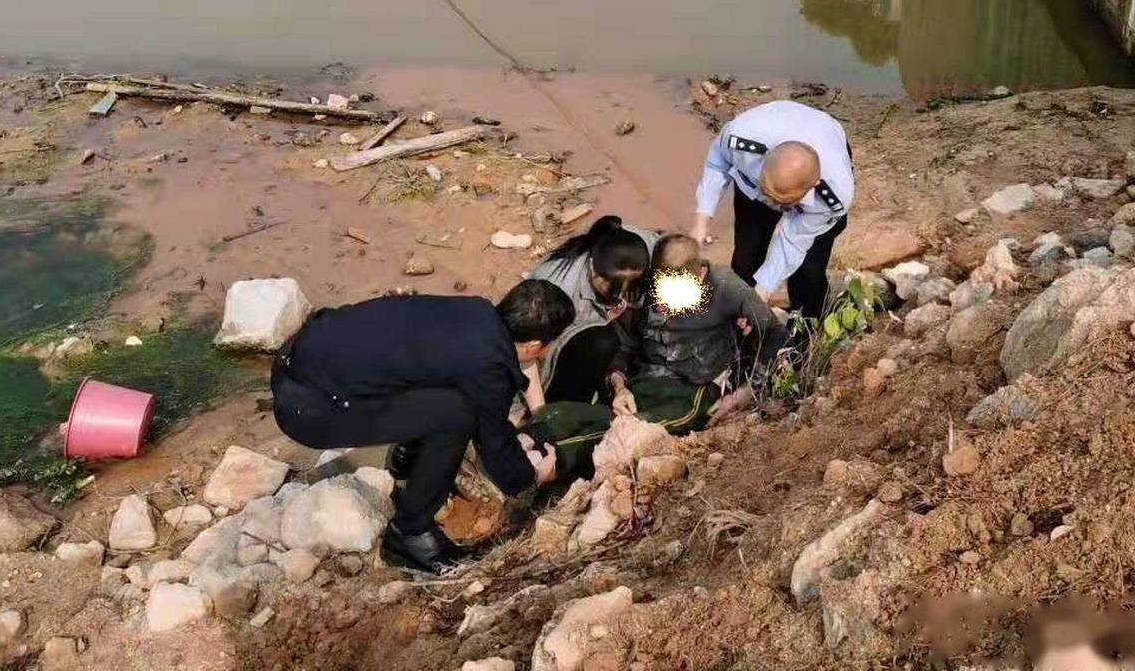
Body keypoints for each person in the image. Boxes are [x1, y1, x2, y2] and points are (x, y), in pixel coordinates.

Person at [270, 279, 574, 573]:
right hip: (309, 411)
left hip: (297, 359)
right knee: (458, 414)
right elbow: (493, 442)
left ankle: (408, 462)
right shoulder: (488, 363)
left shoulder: (475, 312)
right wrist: (530, 476)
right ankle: (410, 533)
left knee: (442, 386)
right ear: (535, 346)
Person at [529, 233, 783, 481]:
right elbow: (623, 345)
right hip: (644, 378)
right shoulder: (642, 287)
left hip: (695, 387)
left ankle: (555, 460)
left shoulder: (725, 286)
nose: (664, 303)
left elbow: (772, 333)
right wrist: (619, 386)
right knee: (582, 414)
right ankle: (529, 436)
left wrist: (742, 394)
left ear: (698, 276)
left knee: (634, 428)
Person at [690, 98, 853, 321]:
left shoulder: (833, 195)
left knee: (808, 269)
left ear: (812, 186)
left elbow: (792, 242)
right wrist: (701, 222)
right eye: (769, 195)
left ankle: (807, 328)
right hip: (768, 139)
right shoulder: (741, 142)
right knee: (747, 254)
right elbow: (717, 163)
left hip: (824, 138)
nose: (774, 206)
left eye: (783, 203)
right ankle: (736, 319)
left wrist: (762, 293)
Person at [528, 216, 654, 406]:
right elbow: (525, 354)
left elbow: (679, 255)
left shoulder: (643, 249)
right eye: (613, 286)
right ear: (592, 268)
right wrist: (539, 411)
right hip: (563, 345)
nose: (621, 294)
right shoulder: (555, 291)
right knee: (603, 342)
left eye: (632, 285)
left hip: (612, 333)